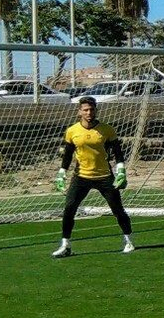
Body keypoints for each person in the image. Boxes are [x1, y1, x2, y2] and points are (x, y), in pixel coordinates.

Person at [52, 95, 134, 257]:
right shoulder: (72, 131)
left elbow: (118, 153)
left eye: (91, 109)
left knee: (118, 210)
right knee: (69, 208)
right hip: (81, 176)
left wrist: (121, 171)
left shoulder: (107, 130)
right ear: (79, 112)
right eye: (85, 110)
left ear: (96, 110)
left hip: (104, 176)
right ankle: (65, 245)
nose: (89, 113)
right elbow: (67, 155)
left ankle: (128, 240)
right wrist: (61, 174)